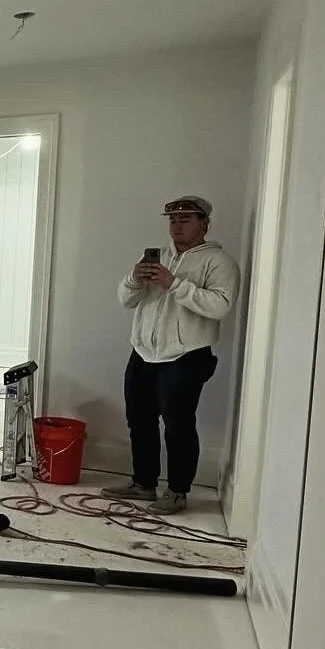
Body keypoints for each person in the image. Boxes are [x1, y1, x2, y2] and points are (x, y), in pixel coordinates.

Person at [102, 196, 240, 515]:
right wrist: (135, 279)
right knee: (139, 419)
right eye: (173, 220)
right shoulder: (157, 257)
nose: (177, 226)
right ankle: (143, 483)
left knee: (178, 425)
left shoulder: (219, 262)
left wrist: (174, 283)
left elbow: (220, 306)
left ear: (204, 223)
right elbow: (126, 300)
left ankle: (177, 491)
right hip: (143, 352)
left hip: (186, 356)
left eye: (186, 220)